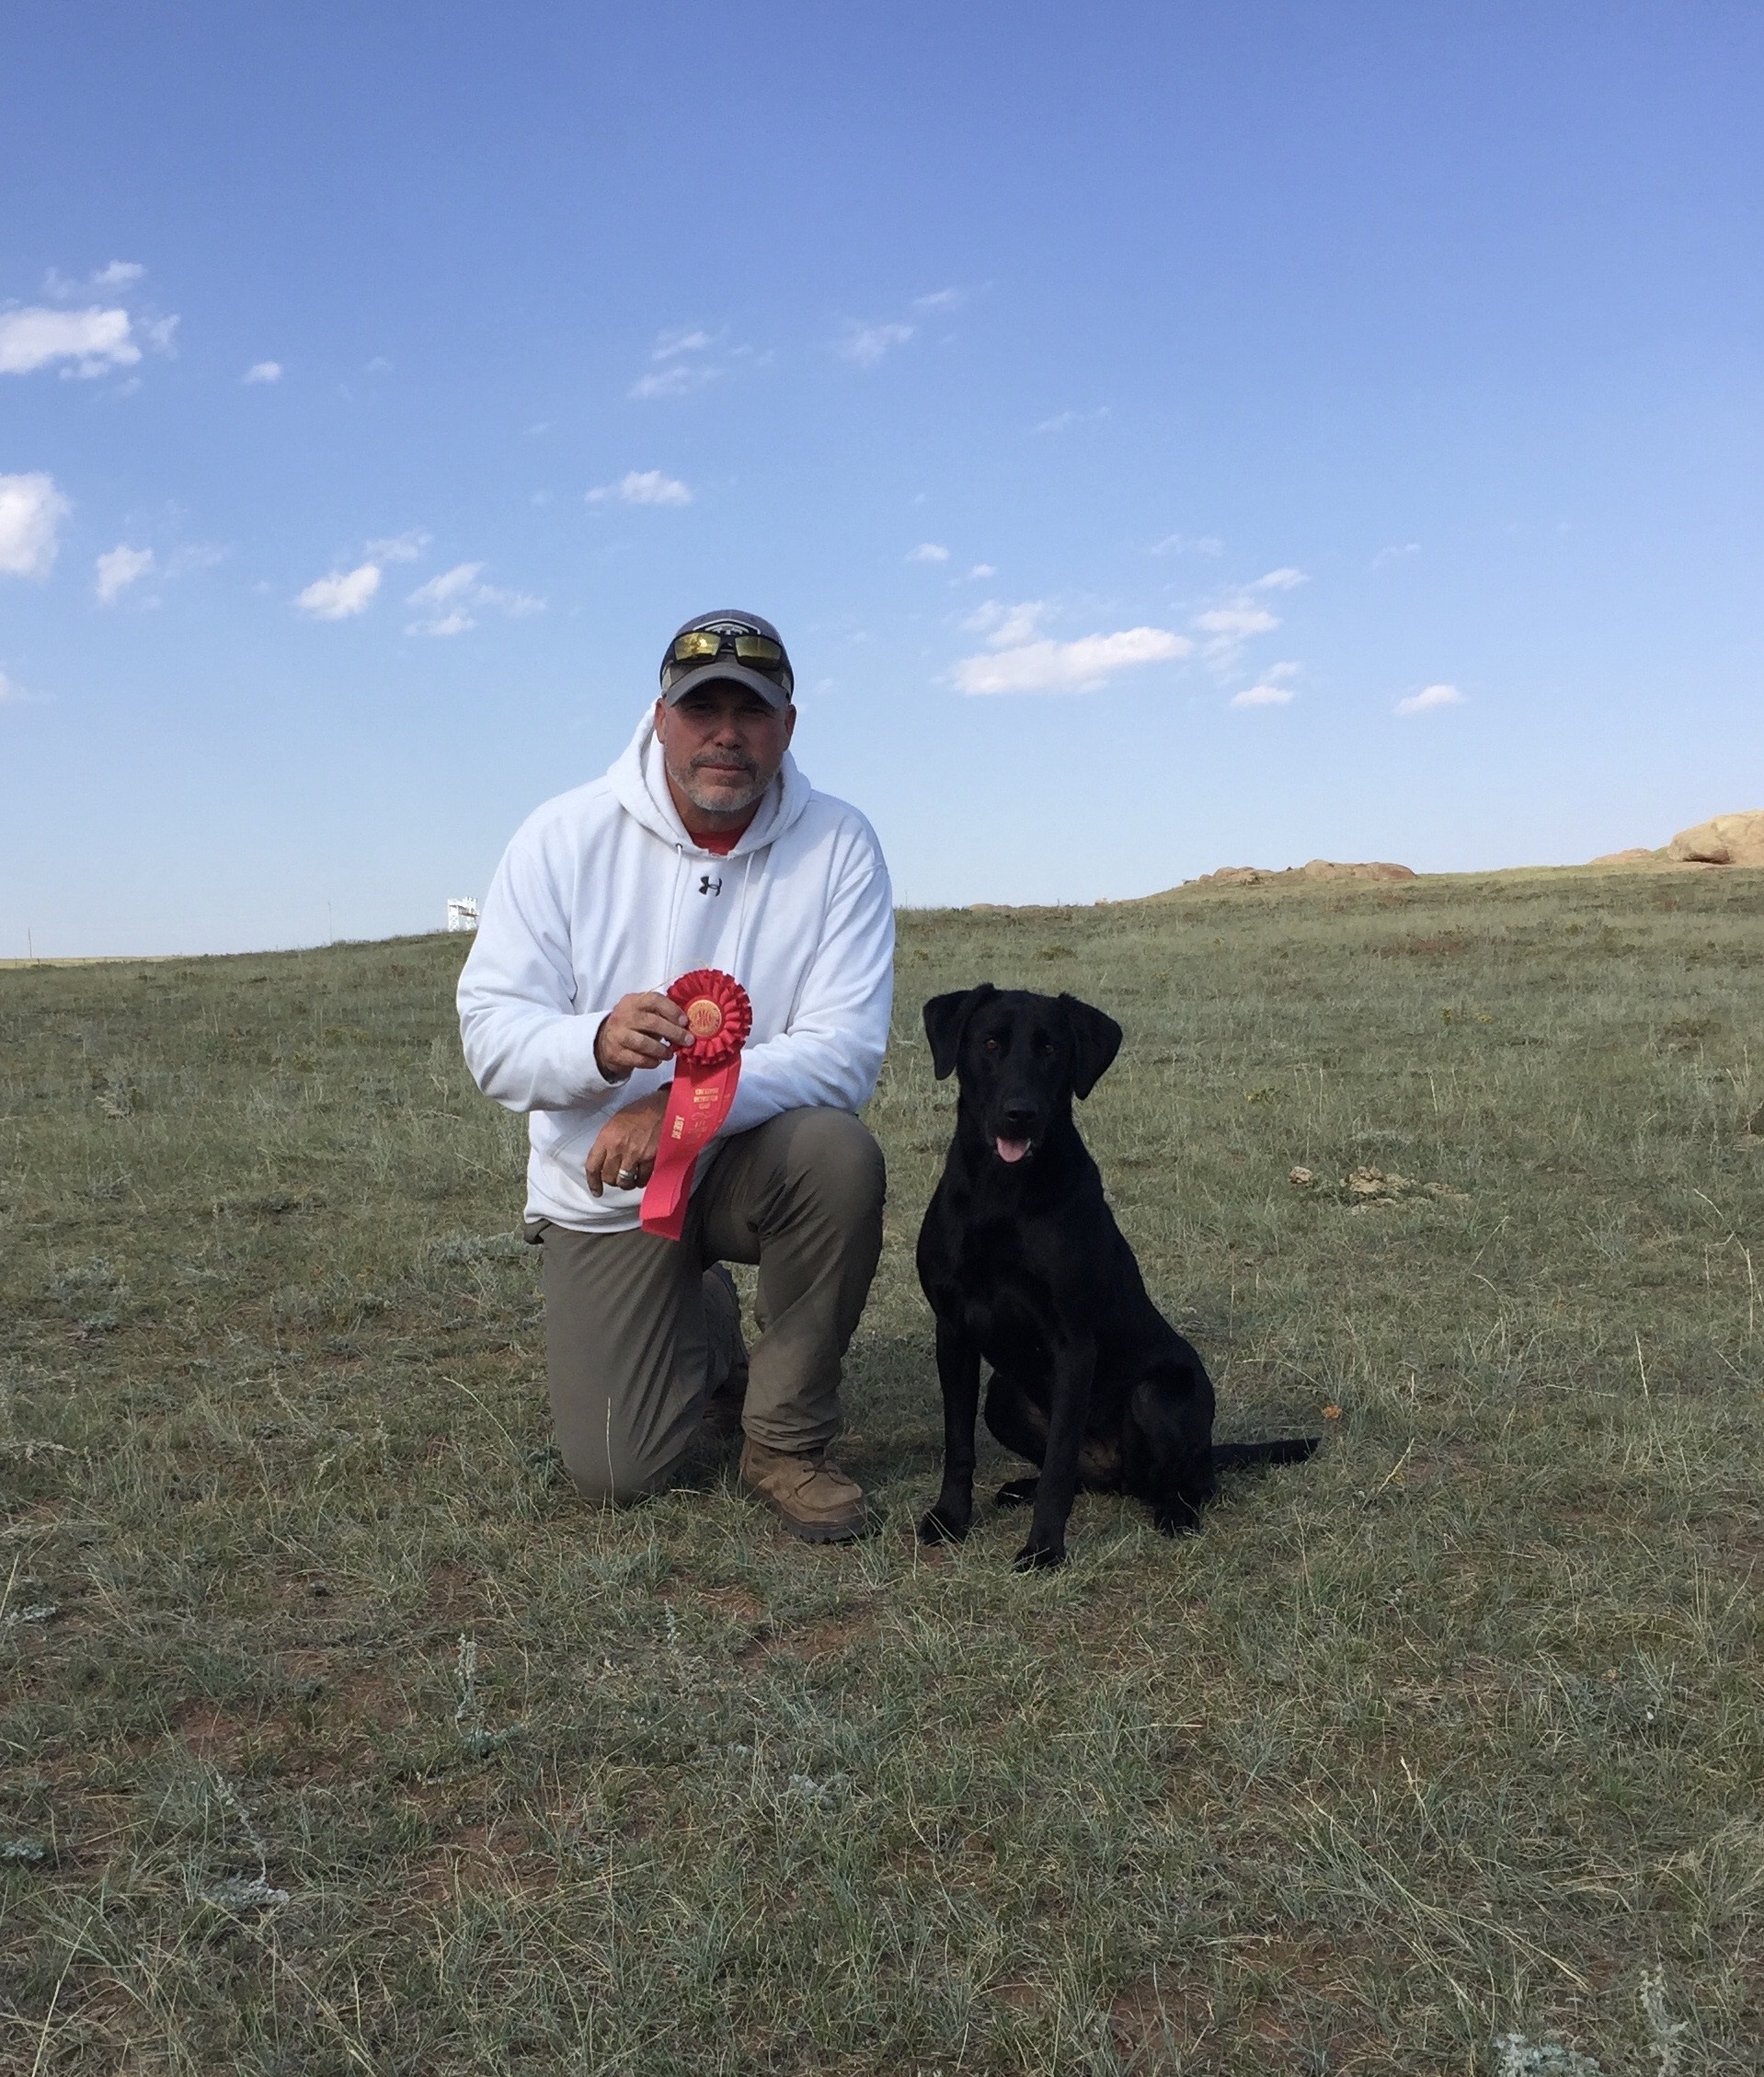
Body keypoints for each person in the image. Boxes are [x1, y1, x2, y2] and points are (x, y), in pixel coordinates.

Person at [457, 610, 893, 1542]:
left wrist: (683, 1106)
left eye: (753, 709)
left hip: (750, 1164)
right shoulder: (560, 835)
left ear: (788, 725)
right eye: (702, 708)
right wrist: (594, 1048)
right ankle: (693, 1313)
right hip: (604, 1183)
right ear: (660, 717)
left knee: (838, 1155)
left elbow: (846, 1050)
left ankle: (785, 1441)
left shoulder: (841, 843)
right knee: (621, 1468)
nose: (726, 732)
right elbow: (491, 1035)